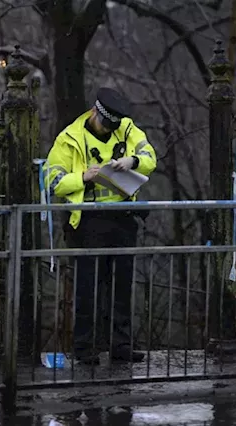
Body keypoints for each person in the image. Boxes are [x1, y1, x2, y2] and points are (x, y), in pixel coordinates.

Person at [44, 87, 157, 365]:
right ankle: (85, 348)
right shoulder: (70, 138)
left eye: (112, 127)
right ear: (95, 112)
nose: (108, 131)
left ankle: (121, 345)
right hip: (87, 221)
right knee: (88, 288)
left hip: (123, 218)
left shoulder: (127, 129)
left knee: (121, 286)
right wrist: (83, 177)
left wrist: (133, 161)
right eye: (105, 125)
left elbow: (150, 158)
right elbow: (52, 180)